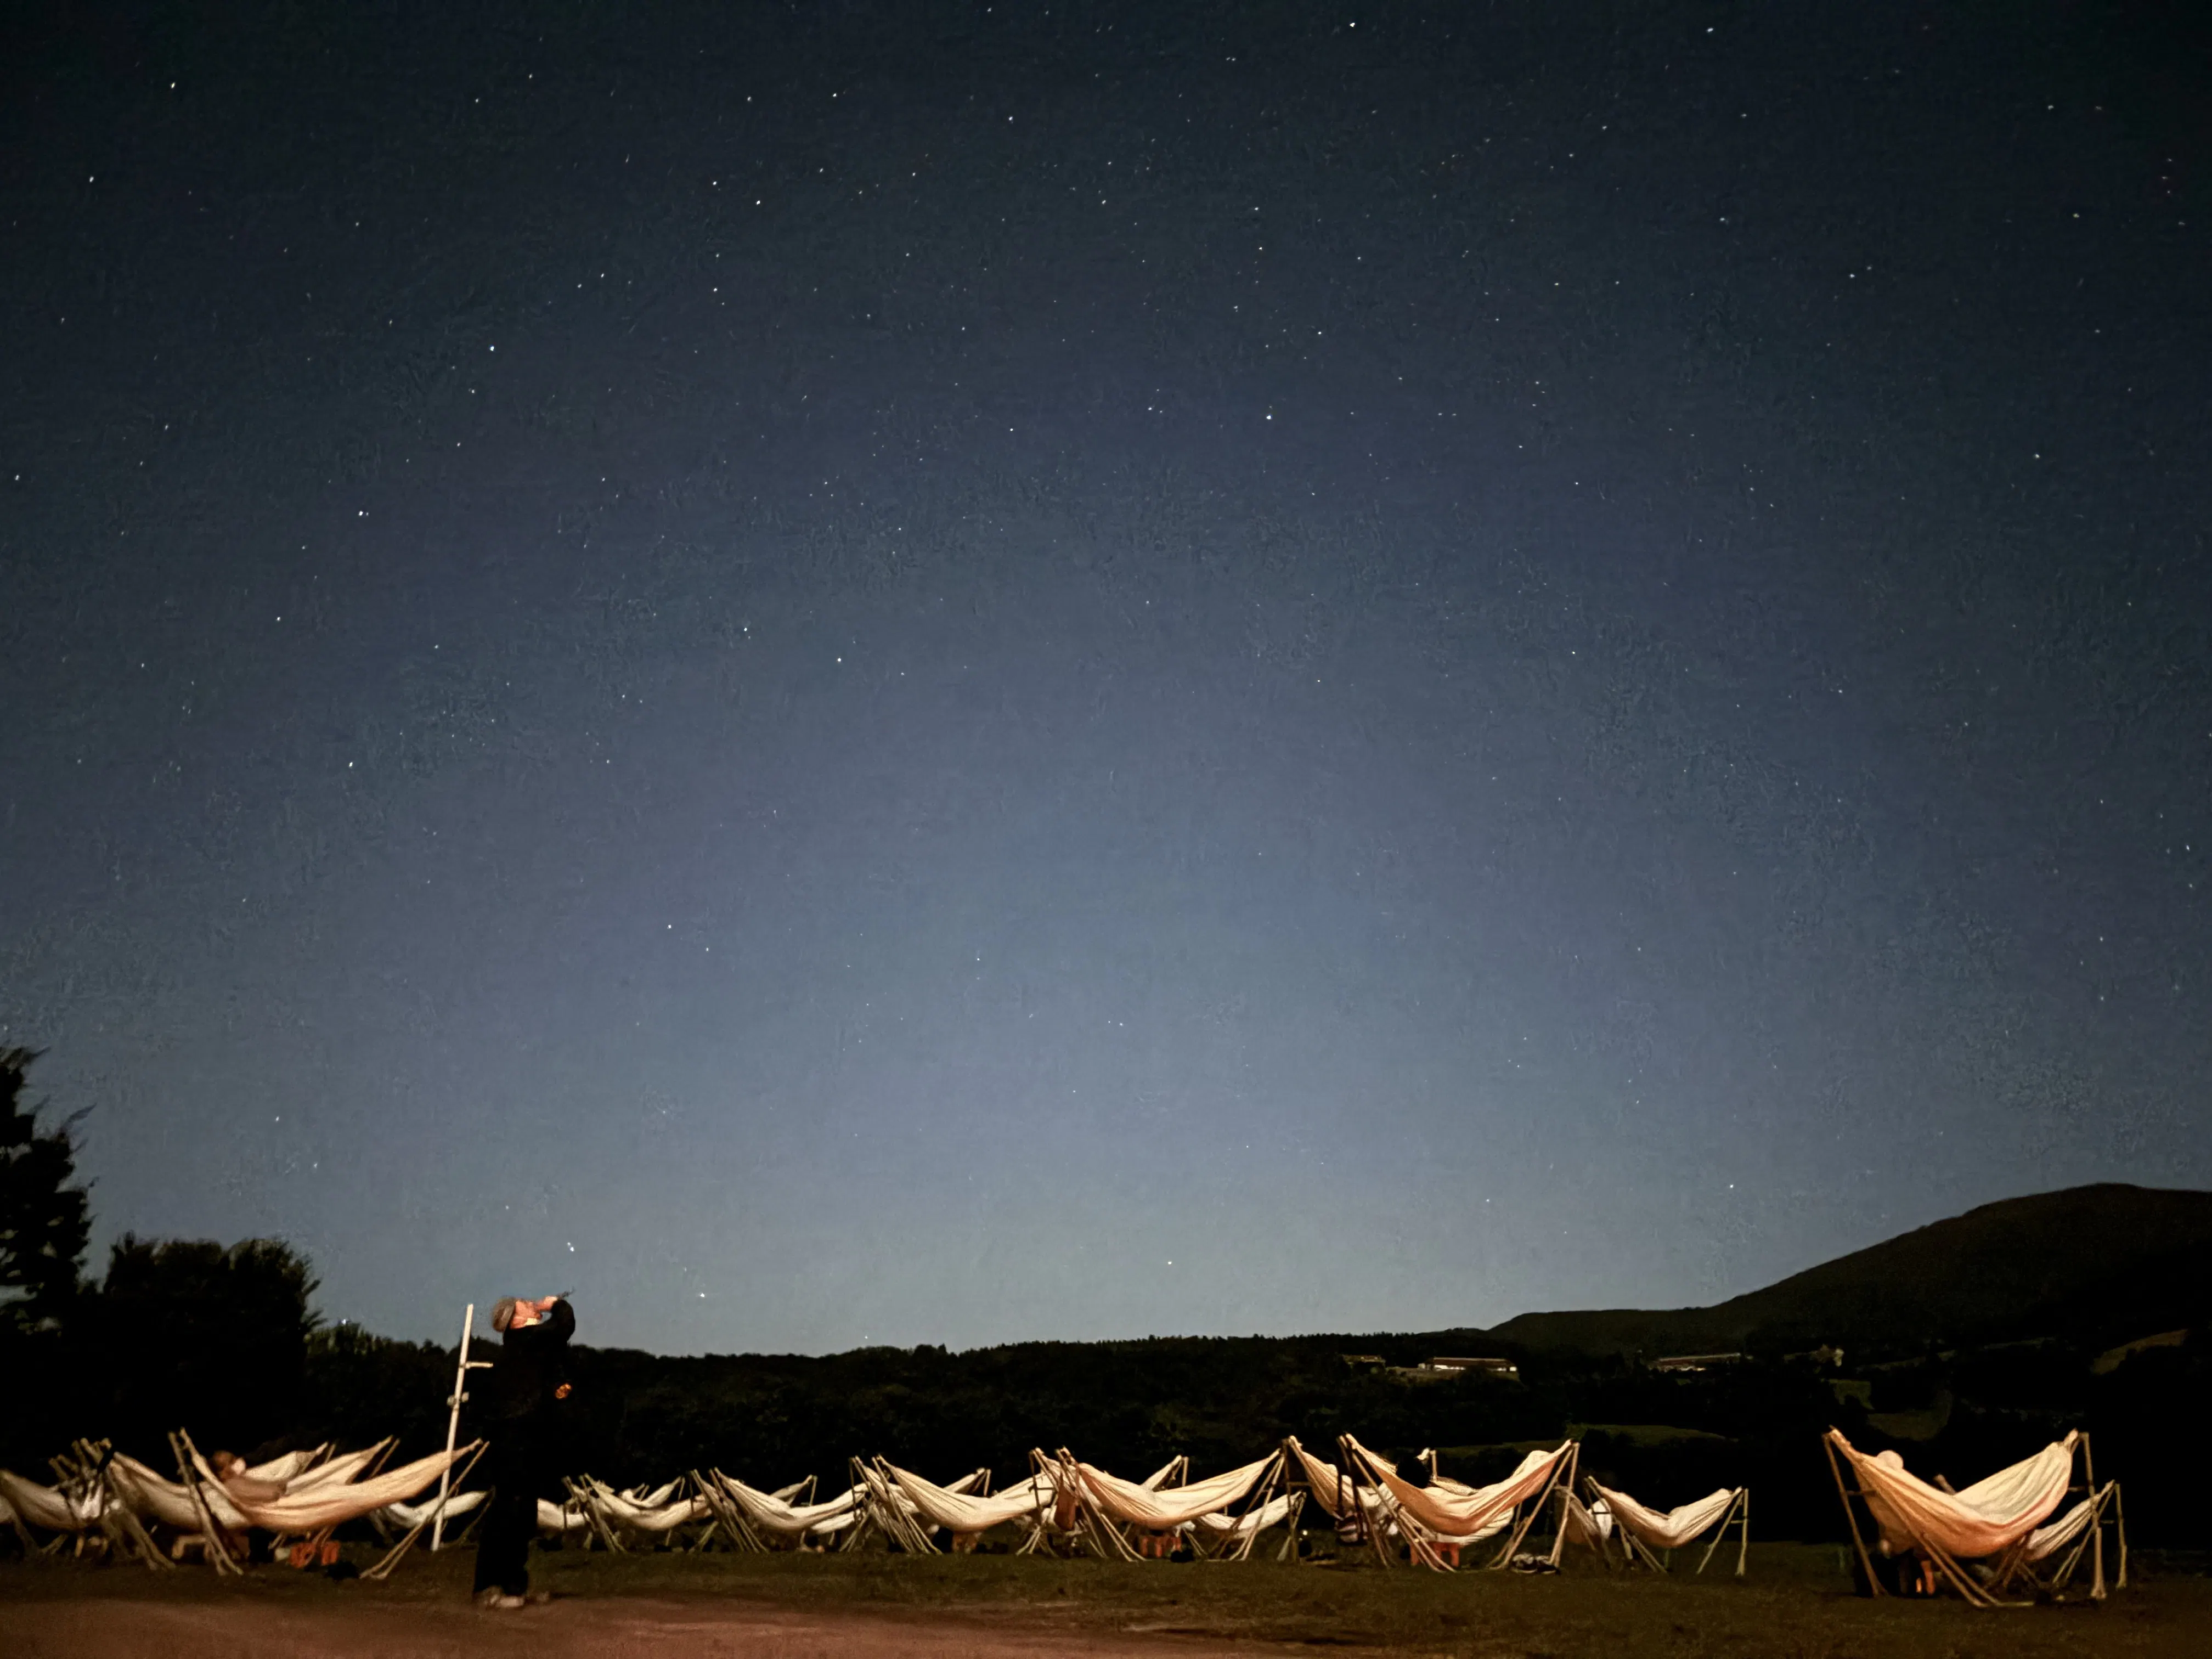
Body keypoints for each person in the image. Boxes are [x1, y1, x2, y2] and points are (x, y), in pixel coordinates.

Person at [472, 1294, 575, 1609]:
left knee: (524, 1513)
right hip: (513, 1437)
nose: (532, 1304)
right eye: (525, 1305)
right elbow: (564, 1325)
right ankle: (488, 1587)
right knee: (509, 1509)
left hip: (526, 1436)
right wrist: (554, 1304)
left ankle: (514, 1588)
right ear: (515, 1321)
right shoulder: (525, 1339)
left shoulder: (529, 1345)